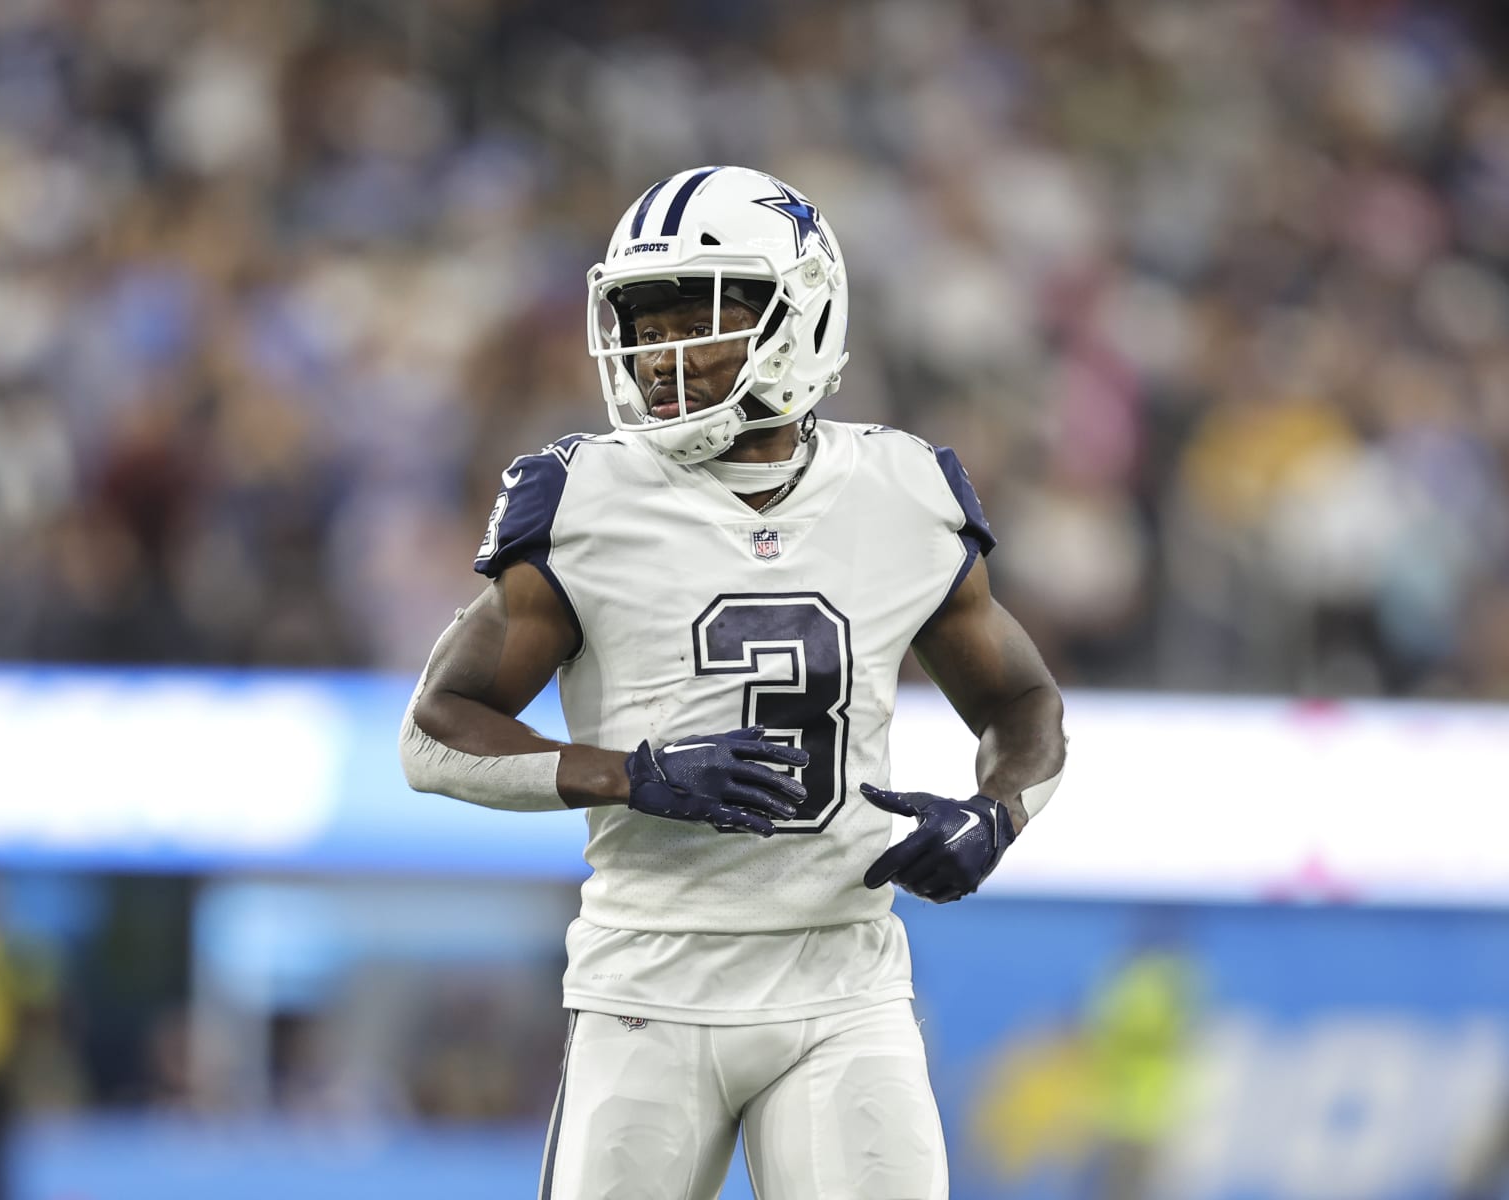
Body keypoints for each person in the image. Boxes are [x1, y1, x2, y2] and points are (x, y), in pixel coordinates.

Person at [401, 165, 1067, 1199]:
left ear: (799, 313)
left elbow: (1023, 704)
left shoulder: (901, 492)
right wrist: (633, 775)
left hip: (843, 981)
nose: (657, 353)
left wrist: (998, 812)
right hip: (646, 987)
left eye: (696, 317)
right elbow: (435, 731)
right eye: (642, 319)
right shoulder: (583, 498)